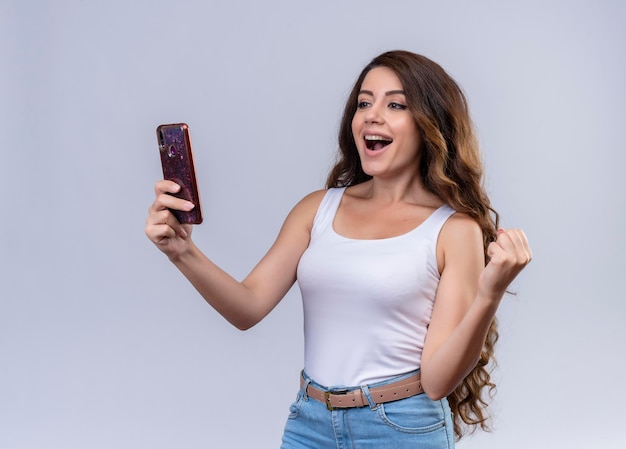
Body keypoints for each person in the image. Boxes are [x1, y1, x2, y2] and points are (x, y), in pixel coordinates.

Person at [145, 50, 532, 448]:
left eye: (395, 104)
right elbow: (248, 307)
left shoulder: (454, 229)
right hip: (310, 423)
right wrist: (182, 252)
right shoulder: (317, 209)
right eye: (364, 103)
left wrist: (491, 293)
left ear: (429, 125)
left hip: (401, 426)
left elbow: (436, 382)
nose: (372, 115)